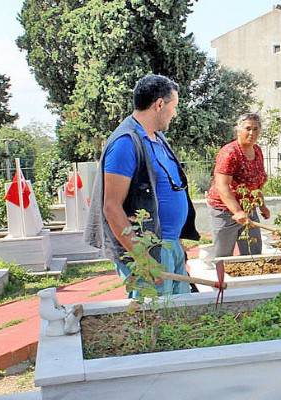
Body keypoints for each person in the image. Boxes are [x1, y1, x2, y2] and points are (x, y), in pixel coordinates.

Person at [85, 74, 199, 297]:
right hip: (147, 250)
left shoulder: (157, 138)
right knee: (153, 322)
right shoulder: (125, 143)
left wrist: (175, 243)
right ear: (159, 104)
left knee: (178, 318)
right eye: (173, 106)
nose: (174, 114)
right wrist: (143, 258)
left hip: (168, 245)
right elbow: (111, 207)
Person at [206, 113, 269, 257]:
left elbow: (256, 182)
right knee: (223, 255)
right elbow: (222, 185)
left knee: (253, 253)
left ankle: (251, 279)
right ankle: (221, 279)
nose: (252, 133)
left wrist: (262, 205)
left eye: (256, 129)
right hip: (224, 210)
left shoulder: (257, 151)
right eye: (248, 128)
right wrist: (237, 211)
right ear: (238, 130)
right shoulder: (230, 152)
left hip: (248, 207)